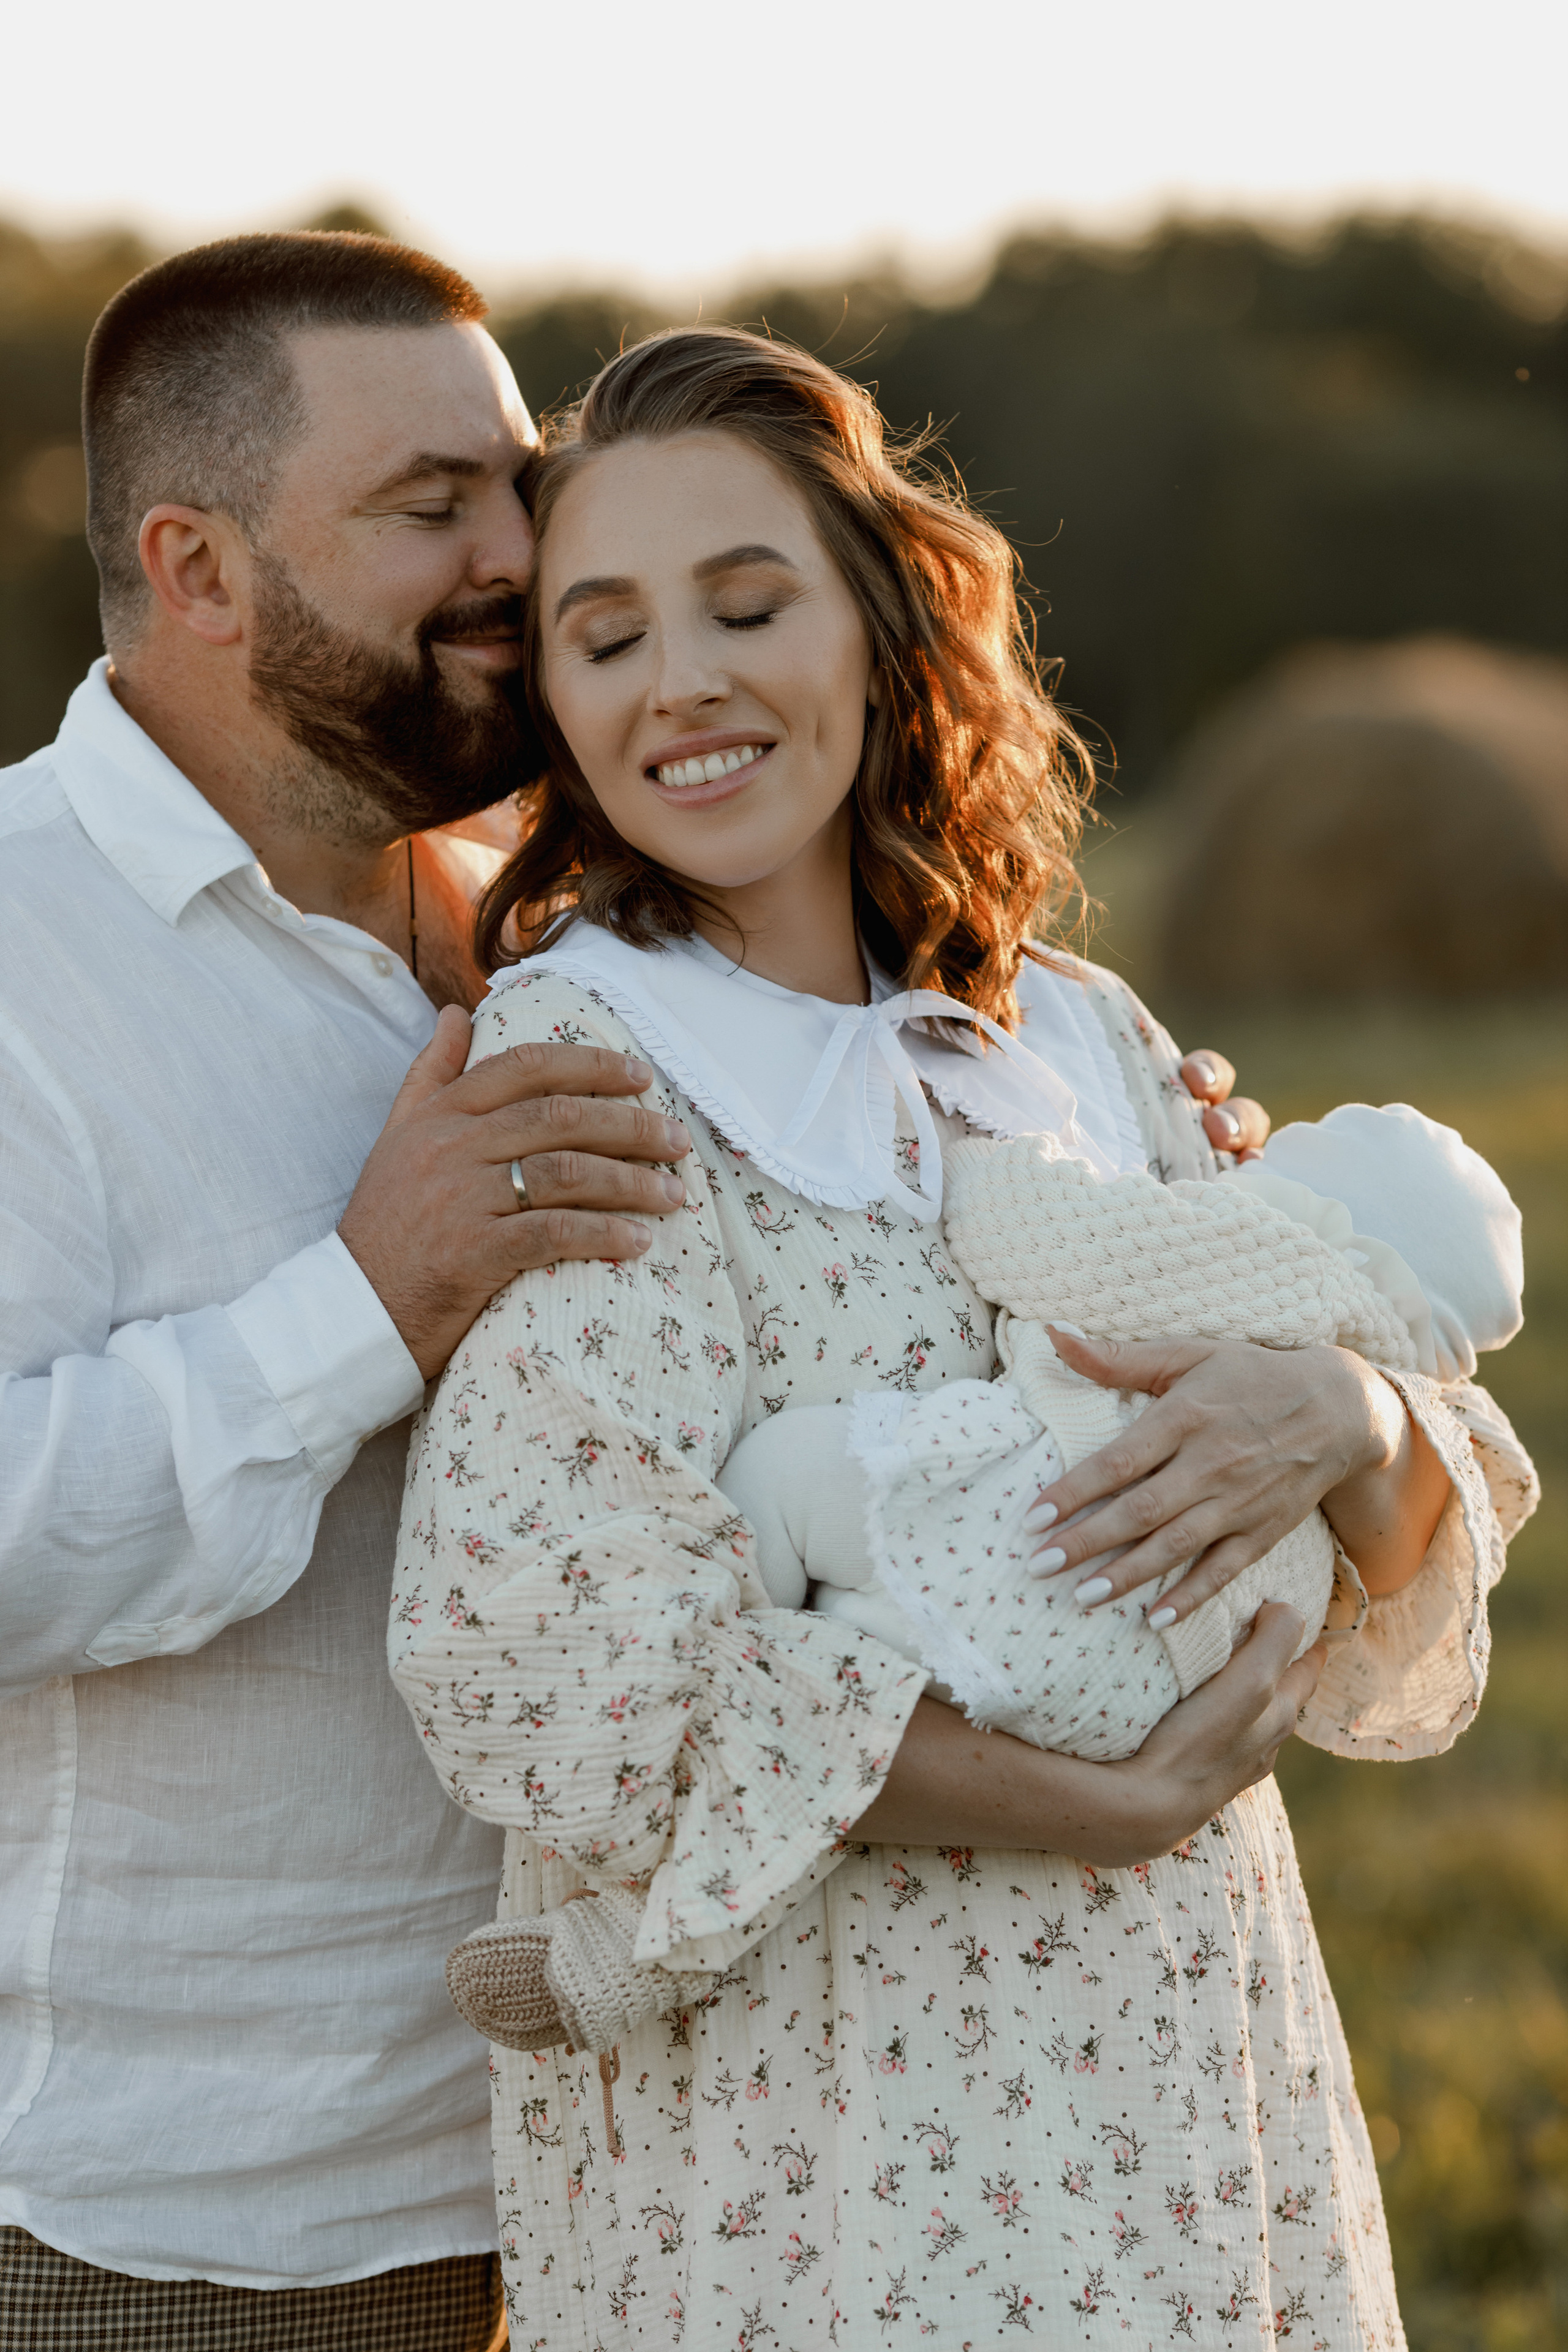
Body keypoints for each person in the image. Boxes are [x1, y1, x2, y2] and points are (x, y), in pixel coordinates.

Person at [389, 326, 1536, 2345]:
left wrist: (1342, 1411)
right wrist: (1086, 1801)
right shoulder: (594, 1070)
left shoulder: (1072, 1035)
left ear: (880, 619)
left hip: (1186, 2062)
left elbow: (1388, 1494)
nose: (686, 683)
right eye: (606, 636)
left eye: (749, 604)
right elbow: (539, 1651)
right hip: (842, 2129)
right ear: (552, 705)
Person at [0, 230, 716, 2352]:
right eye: (435, 511)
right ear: (198, 569)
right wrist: (364, 1309)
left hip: (601, 2183)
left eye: (520, 483)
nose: (525, 551)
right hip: (158, 2236)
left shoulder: (560, 943)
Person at [440, 1096, 1522, 2061]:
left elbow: (1024, 1236)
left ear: (1323, 1205)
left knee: (782, 1506)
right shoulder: (1387, 1359)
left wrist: (1014, 1144)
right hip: (1134, 1694)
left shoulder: (1270, 1253)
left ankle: (689, 1782)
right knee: (849, 1702)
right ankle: (632, 1948)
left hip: (1026, 1554)